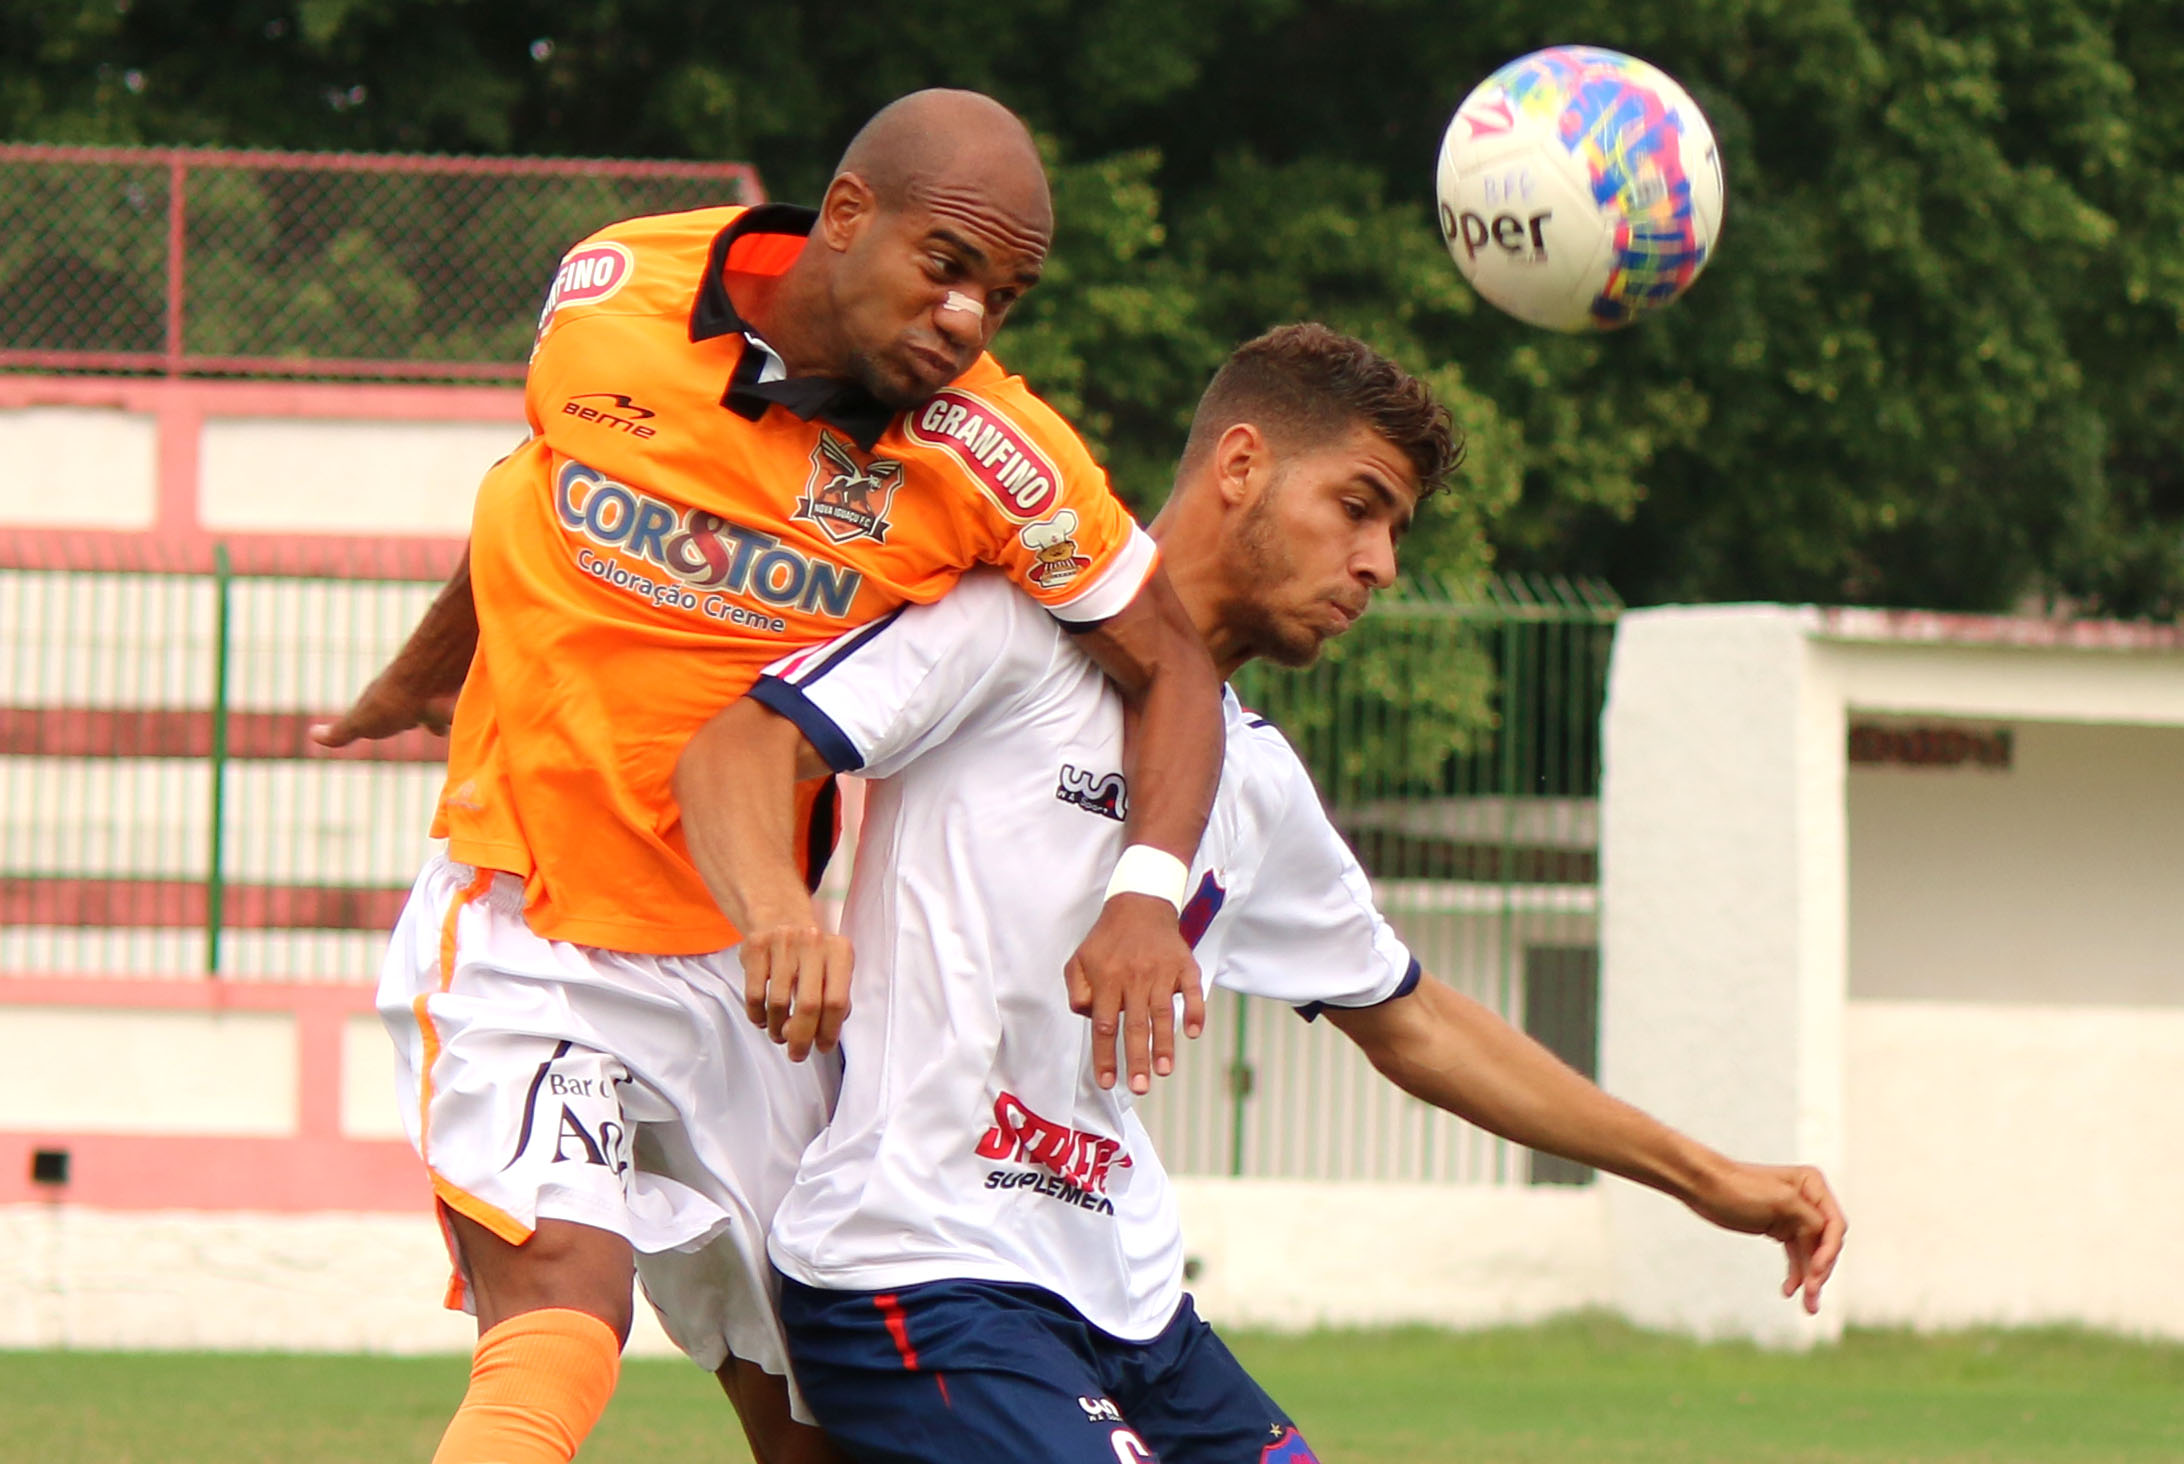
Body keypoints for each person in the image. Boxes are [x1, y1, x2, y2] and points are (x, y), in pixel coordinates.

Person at [682, 323, 1849, 1463]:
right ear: (1240, 467)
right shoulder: (1006, 632)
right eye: (1359, 506)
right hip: (924, 1274)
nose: (1381, 564)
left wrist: (1710, 1180)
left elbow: (1421, 1025)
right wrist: (783, 916)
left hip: (1137, 1311)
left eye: (1396, 530)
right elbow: (733, 750)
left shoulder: (1257, 781)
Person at [360, 90, 1227, 1464]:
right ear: (844, 216)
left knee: (815, 1418)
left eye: (1001, 296)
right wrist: (429, 665)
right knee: (560, 1317)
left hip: (758, 984)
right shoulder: (609, 284)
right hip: (529, 921)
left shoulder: (998, 457)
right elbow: (535, 477)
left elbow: (1172, 661)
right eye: (947, 265)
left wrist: (1147, 883)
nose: (967, 319)